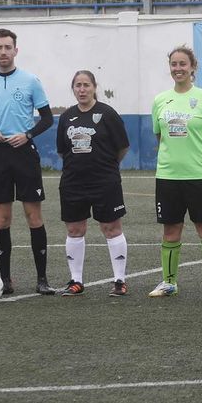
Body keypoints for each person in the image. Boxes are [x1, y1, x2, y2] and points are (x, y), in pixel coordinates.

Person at [0, 28, 56, 295]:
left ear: (16, 50)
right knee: (2, 219)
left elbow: (47, 118)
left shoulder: (31, 80)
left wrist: (28, 134)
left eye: (7, 47)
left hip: (24, 153)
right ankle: (5, 280)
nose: (3, 52)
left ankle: (42, 279)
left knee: (34, 216)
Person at [149, 46, 202, 298]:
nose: (178, 68)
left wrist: (199, 156)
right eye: (174, 64)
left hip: (201, 175)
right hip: (168, 176)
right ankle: (169, 282)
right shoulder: (160, 100)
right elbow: (160, 136)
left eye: (183, 64)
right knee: (170, 231)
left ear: (193, 67)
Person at [55, 70, 132, 296]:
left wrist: (106, 166)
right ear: (73, 89)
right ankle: (76, 281)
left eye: (86, 85)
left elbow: (123, 147)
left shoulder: (107, 114)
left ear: (94, 87)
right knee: (74, 229)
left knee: (111, 228)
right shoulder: (66, 117)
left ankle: (119, 281)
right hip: (73, 182)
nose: (82, 90)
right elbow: (62, 151)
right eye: (78, 85)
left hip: (104, 181)